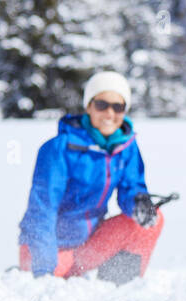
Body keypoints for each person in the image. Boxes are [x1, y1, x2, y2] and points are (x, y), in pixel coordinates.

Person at [18, 71, 163, 284]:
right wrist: (44, 272)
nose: (109, 113)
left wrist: (137, 204)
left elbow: (132, 187)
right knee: (55, 281)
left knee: (151, 221)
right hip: (47, 247)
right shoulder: (59, 148)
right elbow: (42, 210)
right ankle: (47, 271)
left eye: (118, 106)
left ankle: (116, 288)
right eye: (102, 105)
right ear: (88, 106)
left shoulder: (125, 147)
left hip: (86, 247)